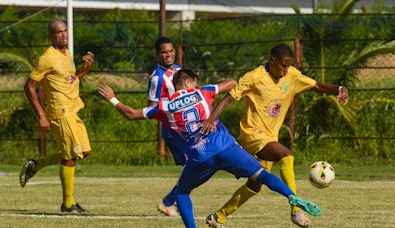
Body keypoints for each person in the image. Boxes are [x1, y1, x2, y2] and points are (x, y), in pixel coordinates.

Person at [98, 69, 322, 228]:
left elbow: (131, 114)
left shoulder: (164, 106)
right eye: (194, 82)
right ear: (188, 83)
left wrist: (113, 99)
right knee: (261, 174)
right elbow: (232, 83)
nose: (196, 85)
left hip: (200, 156)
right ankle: (292, 197)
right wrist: (215, 86)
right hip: (225, 147)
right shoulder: (202, 92)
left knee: (183, 192)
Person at [200, 44, 349, 227]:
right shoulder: (254, 77)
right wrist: (210, 119)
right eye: (283, 65)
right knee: (286, 155)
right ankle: (296, 210)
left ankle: (219, 216)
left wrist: (339, 88)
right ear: (272, 61)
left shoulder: (292, 75)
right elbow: (229, 98)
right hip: (252, 135)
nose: (286, 70)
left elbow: (316, 85)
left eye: (288, 66)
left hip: (270, 137)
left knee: (254, 185)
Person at [20, 19, 95, 213]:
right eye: (58, 32)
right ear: (51, 36)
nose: (63, 35)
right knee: (71, 155)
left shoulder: (67, 53)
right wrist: (41, 116)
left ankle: (35, 165)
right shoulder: (47, 58)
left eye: (65, 31)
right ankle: (68, 203)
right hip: (59, 111)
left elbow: (69, 80)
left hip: (73, 108)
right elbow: (29, 86)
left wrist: (84, 70)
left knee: (84, 152)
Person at [148, 36, 187, 166]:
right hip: (174, 130)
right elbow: (151, 107)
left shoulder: (179, 69)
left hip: (189, 124)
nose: (168, 55)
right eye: (164, 52)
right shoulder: (157, 78)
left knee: (195, 164)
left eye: (171, 51)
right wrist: (169, 114)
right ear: (157, 55)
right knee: (189, 164)